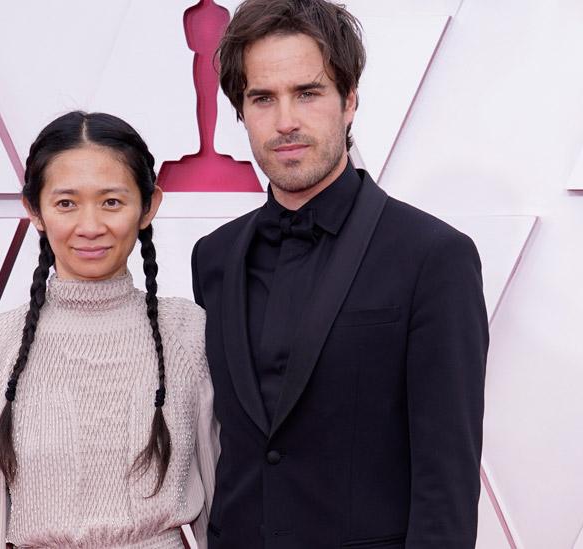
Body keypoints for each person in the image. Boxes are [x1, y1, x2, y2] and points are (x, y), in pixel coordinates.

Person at [190, 1, 488, 547]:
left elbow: (446, 483)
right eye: (263, 98)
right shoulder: (213, 257)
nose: (286, 122)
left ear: (350, 100)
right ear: (240, 111)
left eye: (308, 92)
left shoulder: (433, 257)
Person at [0, 111, 218, 548]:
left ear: (149, 207)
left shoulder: (188, 334)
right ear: (34, 210)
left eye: (112, 201)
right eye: (66, 203)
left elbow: (222, 515)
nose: (90, 227)